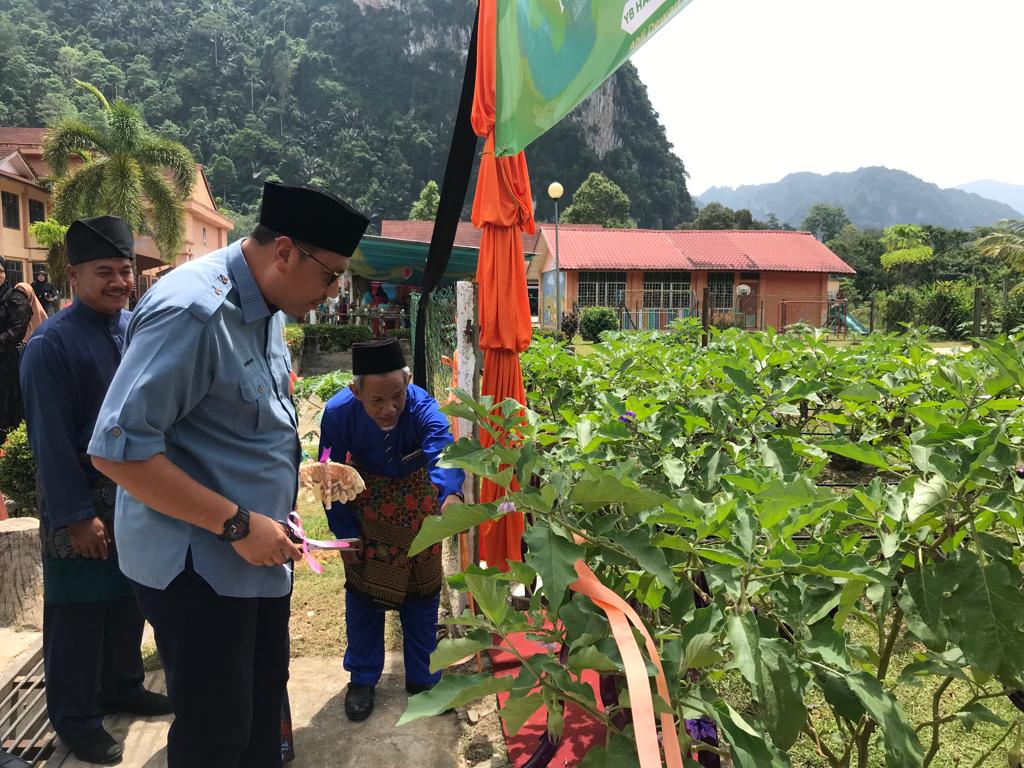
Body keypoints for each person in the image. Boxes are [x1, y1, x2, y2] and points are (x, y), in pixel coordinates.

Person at [88, 181, 369, 768]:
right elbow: (117, 452)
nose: (334, 290)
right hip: (199, 568)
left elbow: (239, 422)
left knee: (260, 717)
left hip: (257, 555)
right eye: (330, 274)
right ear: (285, 251)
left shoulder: (266, 303)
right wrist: (238, 523)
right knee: (216, 736)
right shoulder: (193, 312)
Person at [19, 216, 171, 765]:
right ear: (74, 275)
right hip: (79, 504)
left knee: (128, 602)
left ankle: (123, 685)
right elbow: (50, 441)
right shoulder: (50, 345)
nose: (118, 282)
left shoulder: (132, 329)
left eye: (124, 271)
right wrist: (77, 516)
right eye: (104, 272)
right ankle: (76, 719)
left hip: (133, 497)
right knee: (78, 614)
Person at [318, 338, 465, 722]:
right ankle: (362, 679)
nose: (390, 409)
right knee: (364, 592)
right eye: (377, 401)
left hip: (418, 502)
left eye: (397, 396)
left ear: (408, 382)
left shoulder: (423, 406)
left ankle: (423, 678)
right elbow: (328, 475)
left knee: (423, 591)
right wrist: (344, 531)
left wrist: (450, 495)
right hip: (365, 502)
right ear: (356, 391)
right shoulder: (337, 413)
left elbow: (442, 448)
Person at [0, 260, 33, 442]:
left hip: (7, 361)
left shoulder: (14, 299)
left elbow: (18, 329)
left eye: (1, 271)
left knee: (7, 402)